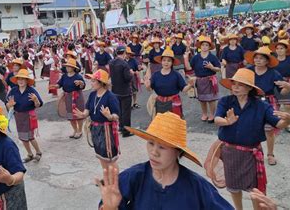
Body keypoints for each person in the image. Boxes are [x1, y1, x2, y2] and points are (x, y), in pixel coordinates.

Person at [96, 112, 233, 209]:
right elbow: (109, 202)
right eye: (150, 143)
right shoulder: (134, 177)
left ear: (177, 152)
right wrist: (110, 208)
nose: (154, 152)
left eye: (162, 147)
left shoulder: (197, 187)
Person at [213, 68, 290, 210]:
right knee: (233, 187)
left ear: (250, 88)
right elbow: (217, 119)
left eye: (240, 84)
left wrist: (288, 120)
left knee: (255, 190)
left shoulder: (261, 105)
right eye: (234, 83)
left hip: (251, 153)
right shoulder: (225, 101)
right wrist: (226, 122)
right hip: (230, 152)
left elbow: (278, 123)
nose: (235, 87)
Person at [244, 46, 290, 166]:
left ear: (267, 61)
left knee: (269, 130)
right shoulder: (248, 71)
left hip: (269, 102)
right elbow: (239, 86)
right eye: (256, 58)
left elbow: (282, 93)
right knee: (249, 128)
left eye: (261, 58)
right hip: (251, 102)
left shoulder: (273, 73)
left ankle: (270, 154)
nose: (258, 60)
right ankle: (251, 152)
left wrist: (287, 86)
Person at [73, 69, 120, 170]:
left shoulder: (110, 97)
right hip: (95, 129)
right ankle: (106, 177)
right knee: (101, 155)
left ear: (101, 83)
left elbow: (116, 115)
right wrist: (83, 114)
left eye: (94, 81)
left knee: (110, 158)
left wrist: (110, 116)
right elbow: (88, 109)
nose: (91, 83)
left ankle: (115, 180)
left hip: (106, 130)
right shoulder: (92, 95)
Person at [7, 69, 43, 163]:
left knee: (30, 137)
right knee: (23, 137)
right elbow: (8, 104)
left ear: (27, 80)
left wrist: (35, 100)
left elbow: (38, 105)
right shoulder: (14, 90)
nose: (21, 81)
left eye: (23, 79)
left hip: (29, 116)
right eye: (19, 79)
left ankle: (38, 152)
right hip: (18, 116)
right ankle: (30, 154)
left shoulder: (31, 91)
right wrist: (10, 104)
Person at [145, 48, 194, 118]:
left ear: (172, 63)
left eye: (169, 61)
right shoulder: (156, 75)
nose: (166, 62)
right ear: (161, 61)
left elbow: (183, 89)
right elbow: (150, 89)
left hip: (174, 103)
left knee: (174, 125)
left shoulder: (176, 75)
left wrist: (190, 85)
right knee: (161, 125)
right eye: (164, 60)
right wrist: (147, 86)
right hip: (159, 104)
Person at [184, 36, 221, 123]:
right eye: (203, 45)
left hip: (210, 80)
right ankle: (204, 114)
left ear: (209, 47)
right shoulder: (196, 57)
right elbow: (189, 67)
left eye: (206, 45)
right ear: (200, 46)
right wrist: (185, 58)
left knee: (211, 99)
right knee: (202, 99)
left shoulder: (212, 57)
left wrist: (211, 67)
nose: (204, 47)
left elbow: (218, 69)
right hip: (199, 80)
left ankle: (212, 114)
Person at [53, 59, 86, 139]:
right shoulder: (64, 76)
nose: (67, 67)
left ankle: (80, 130)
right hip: (67, 97)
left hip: (77, 97)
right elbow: (59, 84)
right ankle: (75, 130)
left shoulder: (78, 76)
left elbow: (83, 86)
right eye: (67, 66)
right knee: (70, 115)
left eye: (69, 66)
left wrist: (81, 84)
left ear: (73, 67)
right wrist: (56, 86)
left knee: (78, 115)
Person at [109, 46, 133, 138]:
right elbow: (127, 78)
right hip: (125, 90)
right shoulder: (124, 64)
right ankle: (126, 131)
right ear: (124, 53)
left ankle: (120, 127)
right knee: (126, 112)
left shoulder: (111, 63)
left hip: (115, 90)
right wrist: (131, 74)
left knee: (119, 110)